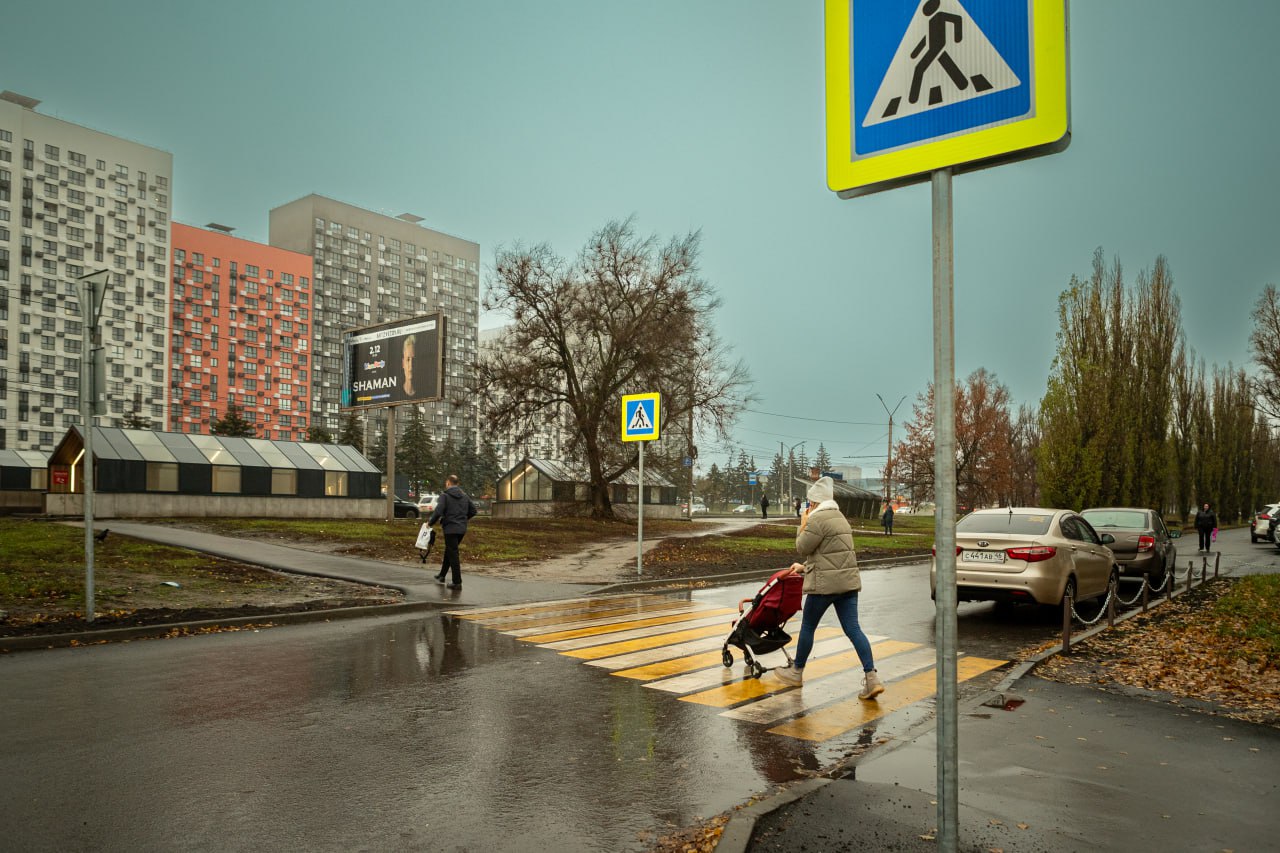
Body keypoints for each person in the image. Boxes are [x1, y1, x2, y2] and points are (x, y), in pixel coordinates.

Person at [774, 477, 884, 700]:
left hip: (824, 587)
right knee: (853, 629)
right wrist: (804, 568)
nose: (808, 507)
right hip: (847, 584)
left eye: (809, 504)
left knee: (808, 627)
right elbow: (830, 557)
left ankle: (796, 672)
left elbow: (802, 546)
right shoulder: (841, 518)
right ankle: (872, 678)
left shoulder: (817, 520)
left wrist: (802, 523)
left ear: (814, 503)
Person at [429, 473, 477, 589]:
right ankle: (442, 575)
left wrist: (429, 523)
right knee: (450, 551)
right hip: (461, 529)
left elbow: (438, 511)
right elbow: (473, 510)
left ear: (448, 483)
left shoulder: (445, 496)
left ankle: (457, 582)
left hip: (450, 528)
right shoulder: (464, 496)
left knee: (453, 553)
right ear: (458, 484)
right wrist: (463, 519)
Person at [401, 334, 417, 398]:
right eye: (408, 359)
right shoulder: (395, 394)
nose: (411, 366)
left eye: (414, 359)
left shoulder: (427, 393)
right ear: (403, 364)